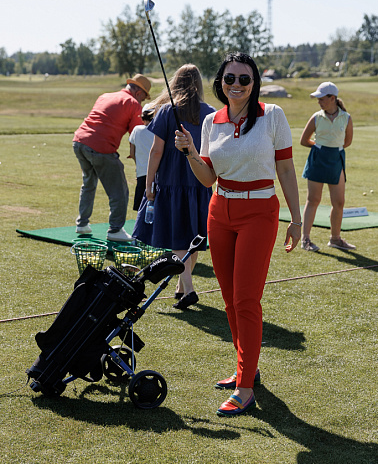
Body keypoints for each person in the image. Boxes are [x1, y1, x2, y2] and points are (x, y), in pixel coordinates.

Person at [174, 52, 301, 417]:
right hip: (220, 210)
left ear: (254, 82)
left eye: (244, 79)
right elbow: (208, 178)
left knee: (246, 299)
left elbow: (287, 169)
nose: (236, 85)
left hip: (259, 212)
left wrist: (296, 219)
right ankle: (247, 368)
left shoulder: (272, 115)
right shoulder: (212, 121)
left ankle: (245, 388)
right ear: (220, 82)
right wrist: (190, 154)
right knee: (229, 299)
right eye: (230, 79)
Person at [132, 64, 215, 309]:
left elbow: (156, 151)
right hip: (199, 183)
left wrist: (148, 184)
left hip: (171, 183)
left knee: (179, 236)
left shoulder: (167, 111)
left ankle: (188, 287)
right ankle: (181, 286)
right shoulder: (209, 112)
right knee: (193, 235)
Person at [73, 74, 151, 242]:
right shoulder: (133, 103)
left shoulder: (105, 95)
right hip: (100, 148)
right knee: (119, 190)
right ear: (138, 93)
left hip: (79, 142)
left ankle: (82, 224)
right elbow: (136, 135)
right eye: (143, 98)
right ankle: (115, 230)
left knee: (89, 183)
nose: (142, 103)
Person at [300, 81, 355, 251]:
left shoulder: (346, 118)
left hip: (336, 159)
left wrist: (330, 150)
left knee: (338, 202)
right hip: (317, 159)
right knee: (313, 200)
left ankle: (335, 239)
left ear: (332, 98)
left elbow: (347, 142)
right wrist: (320, 148)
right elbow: (304, 140)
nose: (318, 101)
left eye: (321, 98)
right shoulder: (316, 117)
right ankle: (306, 239)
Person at [128, 104, 155, 211]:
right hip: (157, 174)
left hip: (142, 173)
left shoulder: (137, 130)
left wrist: (138, 166)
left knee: (141, 207)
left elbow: (132, 152)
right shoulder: (159, 131)